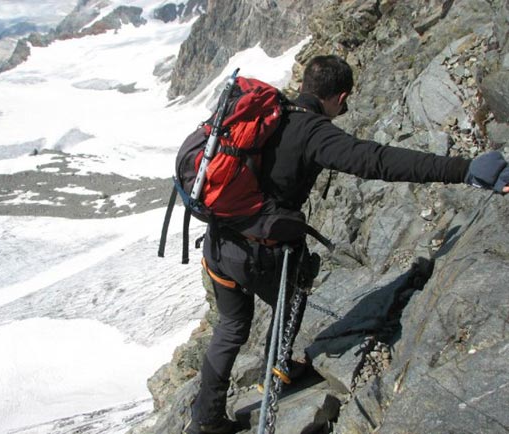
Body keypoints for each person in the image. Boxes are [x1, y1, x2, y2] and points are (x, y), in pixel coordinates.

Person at [184, 54, 509, 434]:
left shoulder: (267, 117)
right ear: (339, 97)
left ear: (305, 85)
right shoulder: (313, 131)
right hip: (259, 252)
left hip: (219, 243)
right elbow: (377, 160)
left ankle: (205, 419)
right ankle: (282, 366)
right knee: (294, 294)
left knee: (231, 326)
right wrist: (462, 169)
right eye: (345, 102)